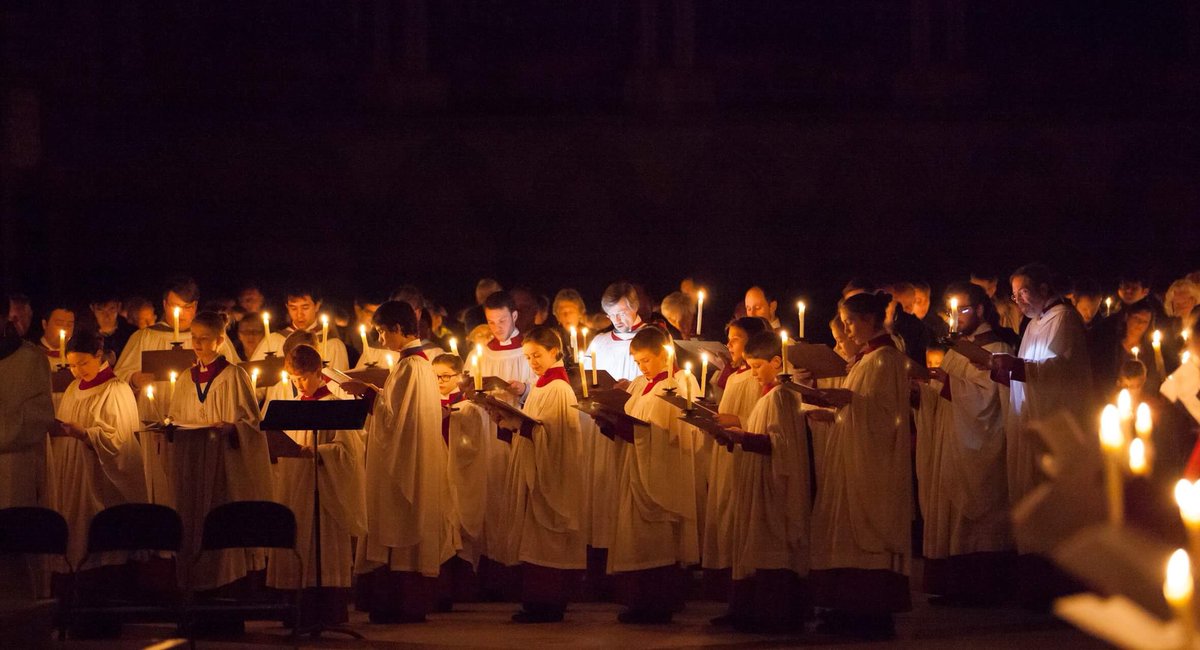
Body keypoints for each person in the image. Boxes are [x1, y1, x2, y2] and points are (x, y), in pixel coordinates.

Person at [988, 264, 1093, 608]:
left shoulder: (1063, 319)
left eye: (1023, 292)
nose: (1017, 300)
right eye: (1014, 294)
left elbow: (1065, 371)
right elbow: (1030, 372)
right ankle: (1032, 583)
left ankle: (1055, 587)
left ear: (1045, 287)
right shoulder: (1033, 324)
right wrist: (1006, 372)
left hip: (1051, 424)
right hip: (1029, 421)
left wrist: (1020, 368)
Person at [808, 292, 912, 639]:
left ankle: (870, 612)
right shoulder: (865, 360)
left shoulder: (887, 359)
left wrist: (851, 402)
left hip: (871, 464)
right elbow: (861, 408)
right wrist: (834, 411)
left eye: (851, 321)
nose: (847, 329)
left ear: (870, 319)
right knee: (842, 530)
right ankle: (846, 608)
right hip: (850, 456)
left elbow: (889, 417)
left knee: (864, 534)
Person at [350, 300, 457, 623]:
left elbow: (396, 420)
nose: (380, 339)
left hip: (403, 463)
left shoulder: (412, 367)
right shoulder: (415, 365)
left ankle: (400, 602)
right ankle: (397, 603)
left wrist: (366, 394)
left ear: (398, 329)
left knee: (399, 525)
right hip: (410, 458)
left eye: (382, 332)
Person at [160, 311, 272, 604]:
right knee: (192, 520)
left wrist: (233, 427)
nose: (197, 344)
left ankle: (227, 595)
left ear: (220, 340)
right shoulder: (186, 378)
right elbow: (177, 414)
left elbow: (252, 424)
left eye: (204, 339)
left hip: (223, 464)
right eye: (193, 338)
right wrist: (170, 426)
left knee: (220, 522)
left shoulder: (235, 375)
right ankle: (193, 594)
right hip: (194, 463)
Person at [920, 282, 1017, 605]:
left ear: (979, 310)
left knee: (981, 513)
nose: (957, 317)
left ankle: (982, 586)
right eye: (953, 311)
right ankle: (954, 584)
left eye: (963, 310)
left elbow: (992, 396)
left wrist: (948, 384)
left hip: (978, 439)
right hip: (952, 439)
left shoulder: (997, 346)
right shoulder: (957, 348)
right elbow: (946, 392)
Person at [596, 326, 700, 624]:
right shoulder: (640, 384)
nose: (641, 367)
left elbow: (675, 432)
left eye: (646, 360)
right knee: (634, 538)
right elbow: (630, 419)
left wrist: (630, 429)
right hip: (635, 468)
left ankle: (659, 602)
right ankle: (638, 601)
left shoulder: (679, 382)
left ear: (663, 354)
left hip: (661, 473)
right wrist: (606, 420)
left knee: (657, 539)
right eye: (637, 361)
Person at [46, 329, 145, 634]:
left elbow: (121, 440)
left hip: (99, 475)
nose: (76, 371)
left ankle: (101, 612)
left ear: (100, 357)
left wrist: (86, 433)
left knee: (94, 531)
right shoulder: (75, 388)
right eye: (72, 364)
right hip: (73, 470)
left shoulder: (115, 390)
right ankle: (72, 608)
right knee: (73, 531)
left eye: (83, 364)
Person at [487, 327, 586, 623]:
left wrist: (520, 425)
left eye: (538, 355)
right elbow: (532, 430)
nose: (532, 361)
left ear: (555, 352)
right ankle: (536, 601)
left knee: (547, 541)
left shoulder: (559, 389)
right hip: (535, 471)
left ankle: (549, 603)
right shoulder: (541, 386)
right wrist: (506, 422)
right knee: (533, 540)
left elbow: (554, 438)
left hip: (550, 476)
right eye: (528, 356)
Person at [264, 344, 366, 627]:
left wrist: (316, 452)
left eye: (303, 378)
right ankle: (296, 614)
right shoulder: (291, 409)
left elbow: (348, 454)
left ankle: (326, 613)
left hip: (325, 493)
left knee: (321, 547)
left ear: (318, 372)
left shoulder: (335, 405)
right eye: (294, 379)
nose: (299, 385)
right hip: (295, 486)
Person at [719, 330, 811, 632]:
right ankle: (752, 609)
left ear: (776, 361)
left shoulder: (782, 395)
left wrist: (743, 437)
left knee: (771, 544)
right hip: (758, 480)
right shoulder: (769, 395)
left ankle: (776, 613)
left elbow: (781, 445)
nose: (753, 372)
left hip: (773, 487)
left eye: (758, 366)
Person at [115, 277, 241, 428]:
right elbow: (117, 380)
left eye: (187, 307)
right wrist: (134, 380)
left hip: (202, 417)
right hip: (156, 414)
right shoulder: (144, 337)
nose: (180, 313)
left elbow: (235, 375)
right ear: (164, 304)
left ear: (195, 306)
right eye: (175, 306)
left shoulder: (214, 337)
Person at [702, 316, 769, 600]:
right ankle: (730, 594)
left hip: (746, 456)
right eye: (728, 337)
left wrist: (735, 421)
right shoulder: (736, 376)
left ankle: (746, 595)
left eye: (736, 338)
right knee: (725, 518)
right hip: (727, 455)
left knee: (741, 519)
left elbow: (762, 419)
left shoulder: (757, 378)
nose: (728, 343)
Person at [431, 353, 490, 602]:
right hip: (435, 475)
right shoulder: (428, 402)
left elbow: (472, 447)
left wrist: (453, 419)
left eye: (446, 376)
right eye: (436, 377)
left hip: (457, 476)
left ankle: (458, 590)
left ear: (459, 376)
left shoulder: (468, 406)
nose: (441, 381)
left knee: (458, 528)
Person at [250, 286, 348, 371]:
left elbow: (340, 387)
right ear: (287, 307)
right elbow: (254, 381)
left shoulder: (333, 345)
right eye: (293, 308)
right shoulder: (273, 341)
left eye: (305, 308)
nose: (299, 314)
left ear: (317, 305)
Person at [90, 294, 136, 362]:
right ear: (92, 308)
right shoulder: (86, 335)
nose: (106, 316)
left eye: (111, 309)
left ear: (119, 307)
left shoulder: (132, 334)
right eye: (100, 310)